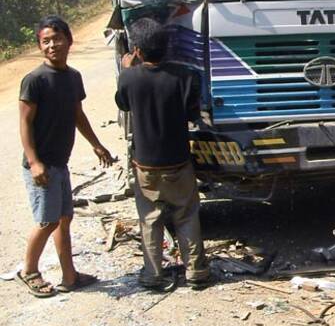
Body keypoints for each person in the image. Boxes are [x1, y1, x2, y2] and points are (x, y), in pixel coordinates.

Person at [18, 15, 113, 298]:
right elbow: (24, 123)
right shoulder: (34, 80)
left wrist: (97, 144)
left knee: (63, 219)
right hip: (41, 165)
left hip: (60, 162)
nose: (52, 45)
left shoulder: (73, 77)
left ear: (69, 41)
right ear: (39, 46)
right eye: (45, 41)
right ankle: (29, 271)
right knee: (47, 221)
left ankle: (69, 276)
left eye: (57, 39)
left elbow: (77, 114)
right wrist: (34, 162)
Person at [115, 17, 209, 292]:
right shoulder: (186, 76)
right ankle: (196, 272)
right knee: (187, 215)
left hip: (145, 164)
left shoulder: (129, 77)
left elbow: (123, 104)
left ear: (138, 51)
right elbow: (193, 112)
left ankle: (154, 274)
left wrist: (127, 69)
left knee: (150, 219)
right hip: (178, 161)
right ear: (167, 47)